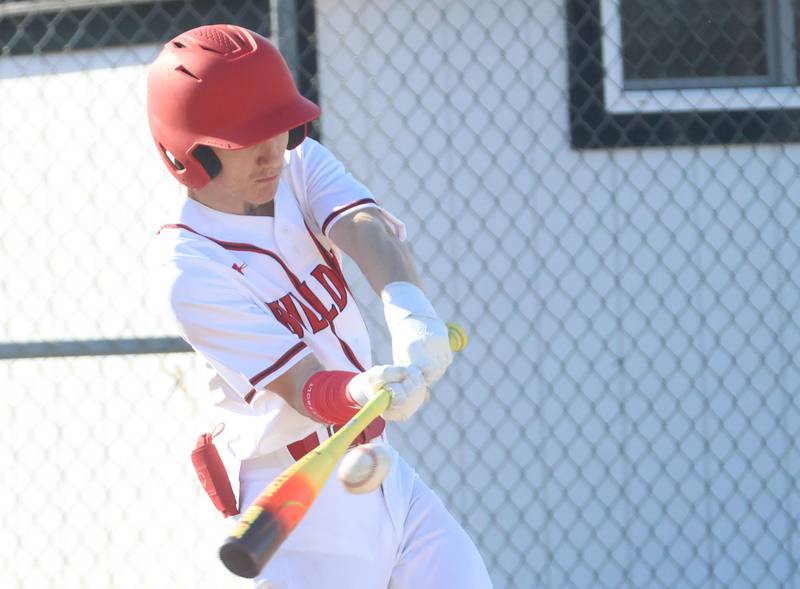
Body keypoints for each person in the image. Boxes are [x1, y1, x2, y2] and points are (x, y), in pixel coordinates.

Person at [146, 23, 492, 589]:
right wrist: (358, 391)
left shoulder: (297, 164)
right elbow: (302, 386)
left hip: (379, 465)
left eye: (278, 129)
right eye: (244, 140)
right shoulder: (186, 268)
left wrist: (409, 309)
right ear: (193, 154)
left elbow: (362, 226)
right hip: (298, 504)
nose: (271, 152)